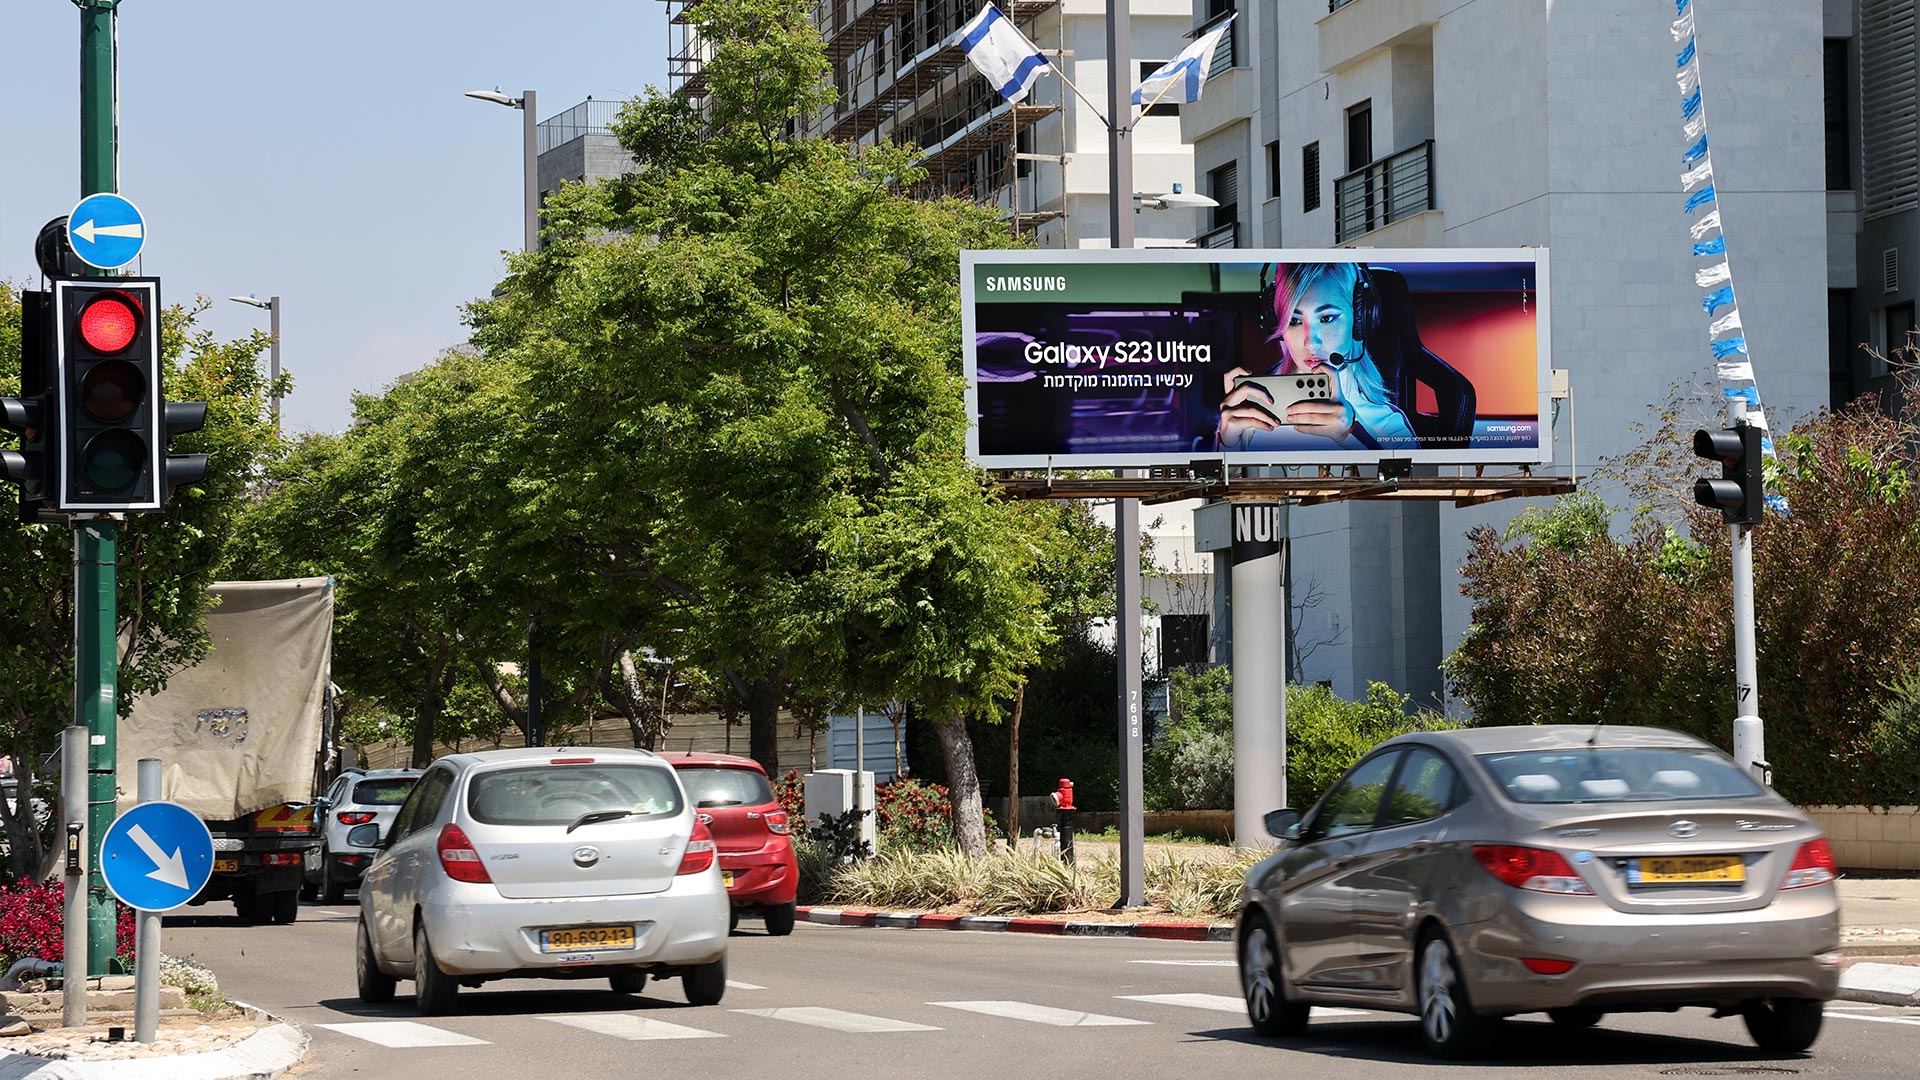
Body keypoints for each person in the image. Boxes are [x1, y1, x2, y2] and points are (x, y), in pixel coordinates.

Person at [1216, 262, 1417, 452]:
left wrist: (1351, 436)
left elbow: (1406, 488)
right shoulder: (1251, 413)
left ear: (1359, 319)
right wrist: (1228, 444)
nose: (1310, 343)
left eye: (1327, 318)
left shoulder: (1390, 427)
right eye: (1294, 321)